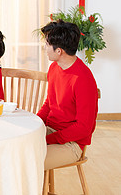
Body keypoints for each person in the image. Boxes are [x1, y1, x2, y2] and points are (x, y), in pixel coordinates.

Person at [37, 20, 98, 170]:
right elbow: (49, 104)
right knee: (16, 148)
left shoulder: (83, 79)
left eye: (47, 44)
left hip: (72, 143)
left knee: (29, 160)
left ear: (59, 51)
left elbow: (84, 127)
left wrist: (48, 139)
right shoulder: (54, 68)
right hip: (51, 130)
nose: (44, 48)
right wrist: (34, 125)